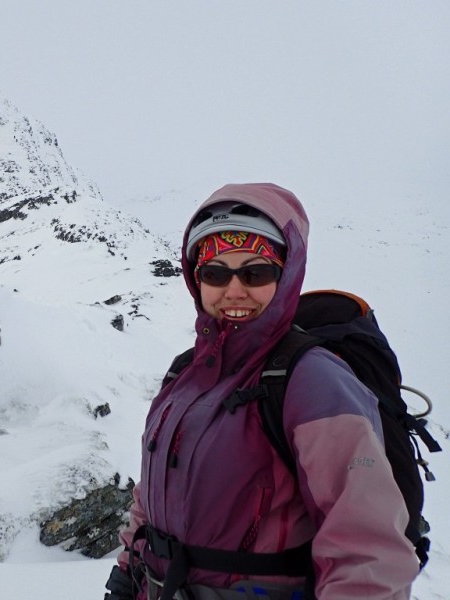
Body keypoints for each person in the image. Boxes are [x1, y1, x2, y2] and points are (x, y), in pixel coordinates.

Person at [104, 183, 419, 600]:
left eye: (255, 272)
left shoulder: (313, 380)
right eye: (215, 273)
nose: (234, 291)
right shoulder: (184, 374)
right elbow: (153, 495)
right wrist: (127, 577)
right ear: (196, 279)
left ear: (285, 275)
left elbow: (367, 554)